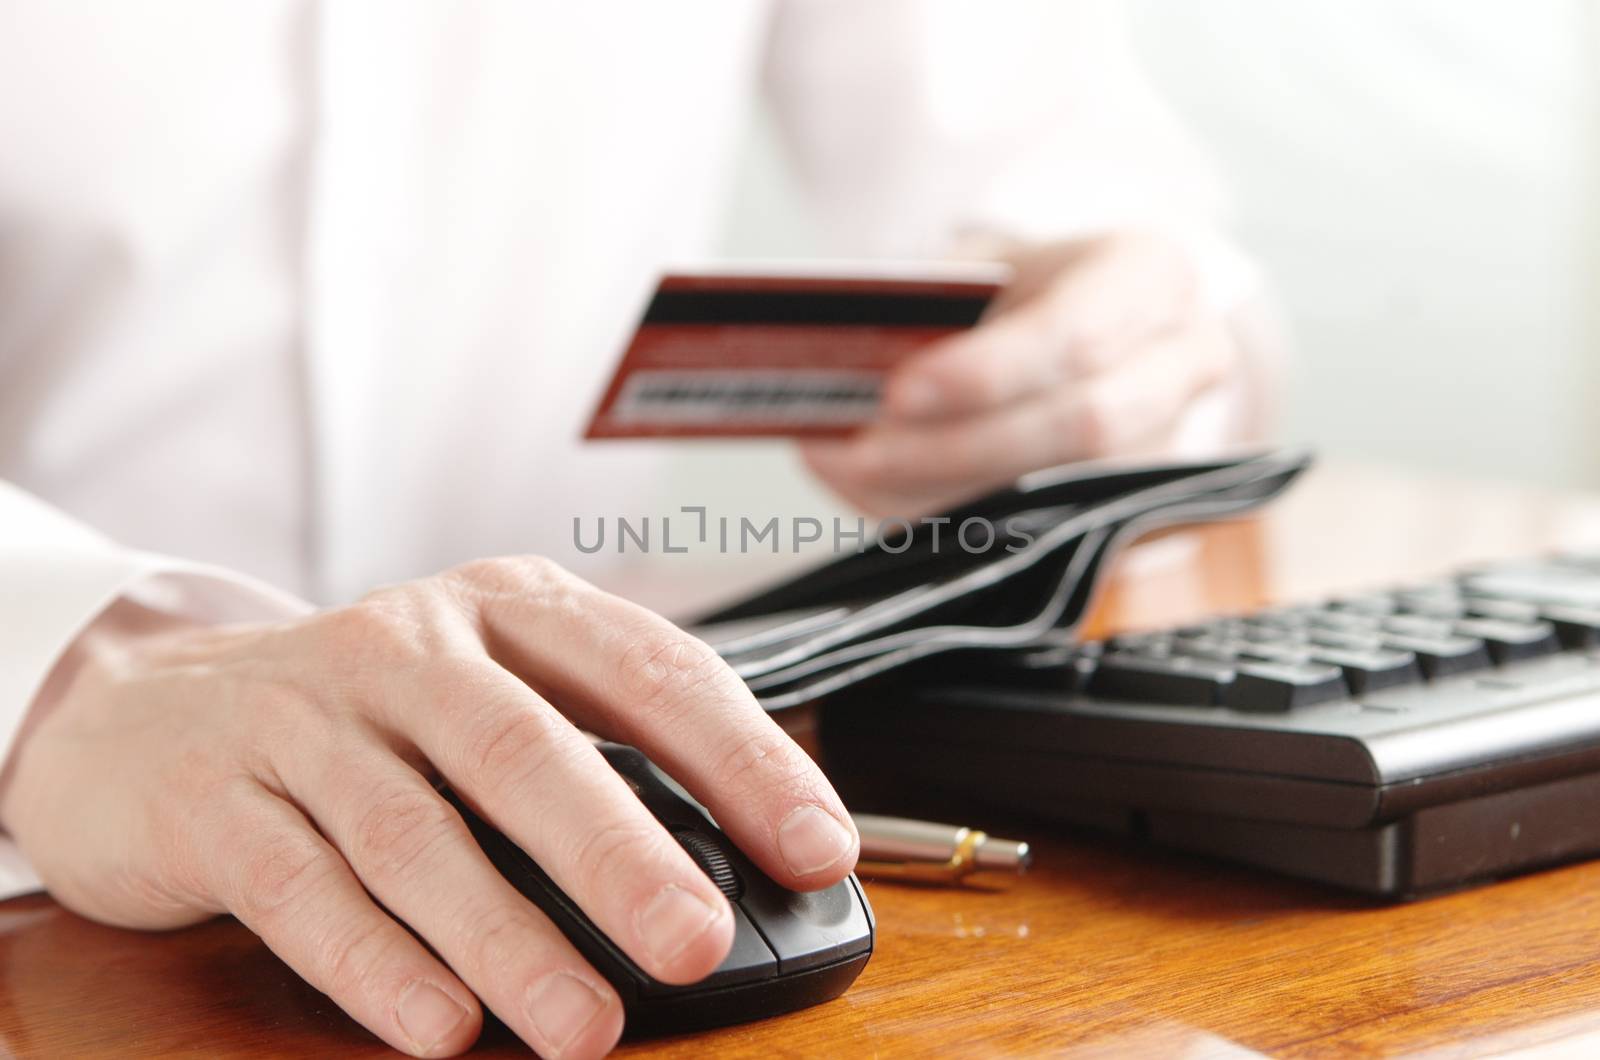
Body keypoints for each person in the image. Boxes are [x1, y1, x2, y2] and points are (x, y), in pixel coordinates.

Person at [0, 2, 1277, 1057]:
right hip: (67, 859)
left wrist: (1107, 362)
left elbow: (1101, 210)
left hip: (603, 781)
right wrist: (68, 664)